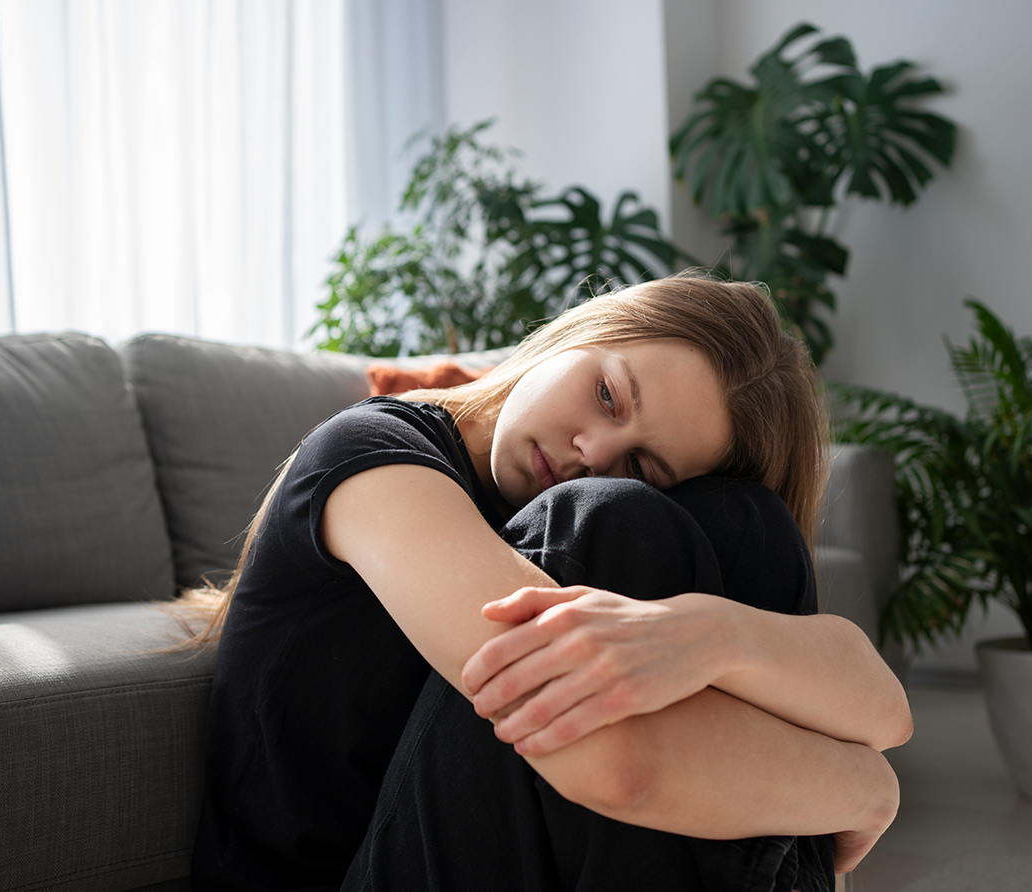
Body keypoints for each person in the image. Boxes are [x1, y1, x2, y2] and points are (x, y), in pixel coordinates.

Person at [182, 274, 910, 892]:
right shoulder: (369, 457)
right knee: (609, 518)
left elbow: (886, 714)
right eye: (607, 394)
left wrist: (713, 635)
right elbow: (617, 767)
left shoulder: (575, 513)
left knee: (752, 523)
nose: (594, 450)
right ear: (579, 331)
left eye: (645, 463)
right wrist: (865, 788)